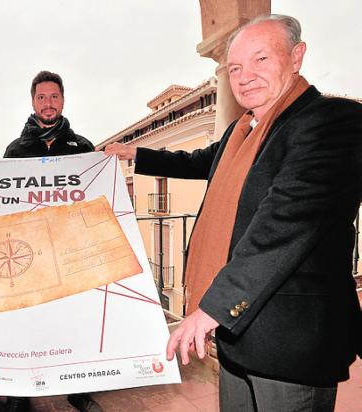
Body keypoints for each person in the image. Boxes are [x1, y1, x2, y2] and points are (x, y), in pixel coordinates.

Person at [105, 14, 362, 412]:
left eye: (260, 60)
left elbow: (285, 223)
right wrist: (135, 154)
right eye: (236, 68)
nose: (245, 77)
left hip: (289, 343)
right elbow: (200, 161)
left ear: (296, 57)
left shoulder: (334, 123)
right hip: (237, 337)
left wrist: (211, 308)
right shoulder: (240, 130)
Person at [3, 71, 100, 412]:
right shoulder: (15, 150)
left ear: (63, 100)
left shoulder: (82, 147)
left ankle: (79, 389)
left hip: (70, 250)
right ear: (33, 102)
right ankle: (20, 392)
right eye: (42, 97)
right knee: (26, 323)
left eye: (54, 97)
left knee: (75, 321)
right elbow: (7, 204)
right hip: (30, 252)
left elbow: (94, 196)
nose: (48, 103)